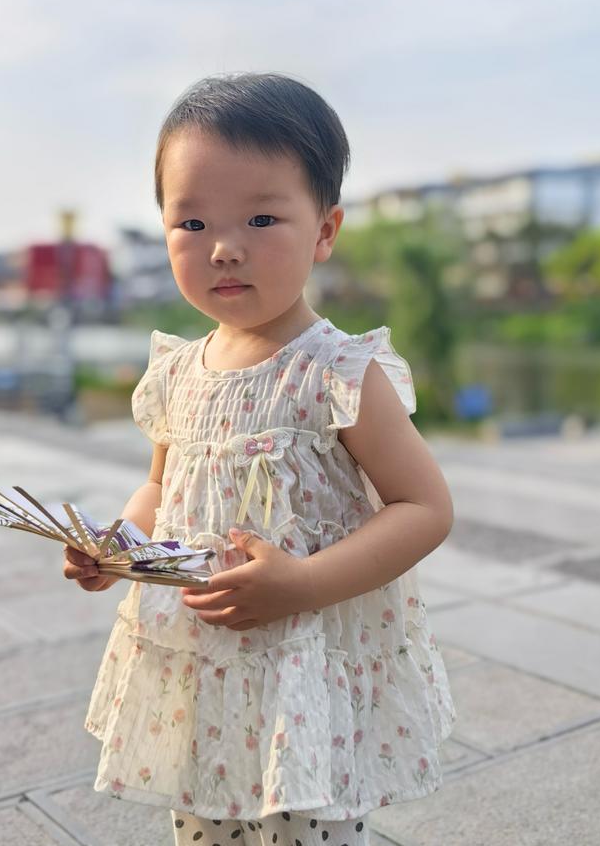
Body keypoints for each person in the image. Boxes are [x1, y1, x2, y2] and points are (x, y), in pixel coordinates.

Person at [63, 72, 457, 846]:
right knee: (205, 824)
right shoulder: (177, 372)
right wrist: (120, 546)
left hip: (303, 658)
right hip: (203, 658)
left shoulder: (338, 372)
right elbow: (160, 487)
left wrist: (305, 582)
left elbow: (425, 508)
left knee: (302, 827)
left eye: (262, 218)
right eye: (192, 222)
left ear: (325, 231)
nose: (224, 247)